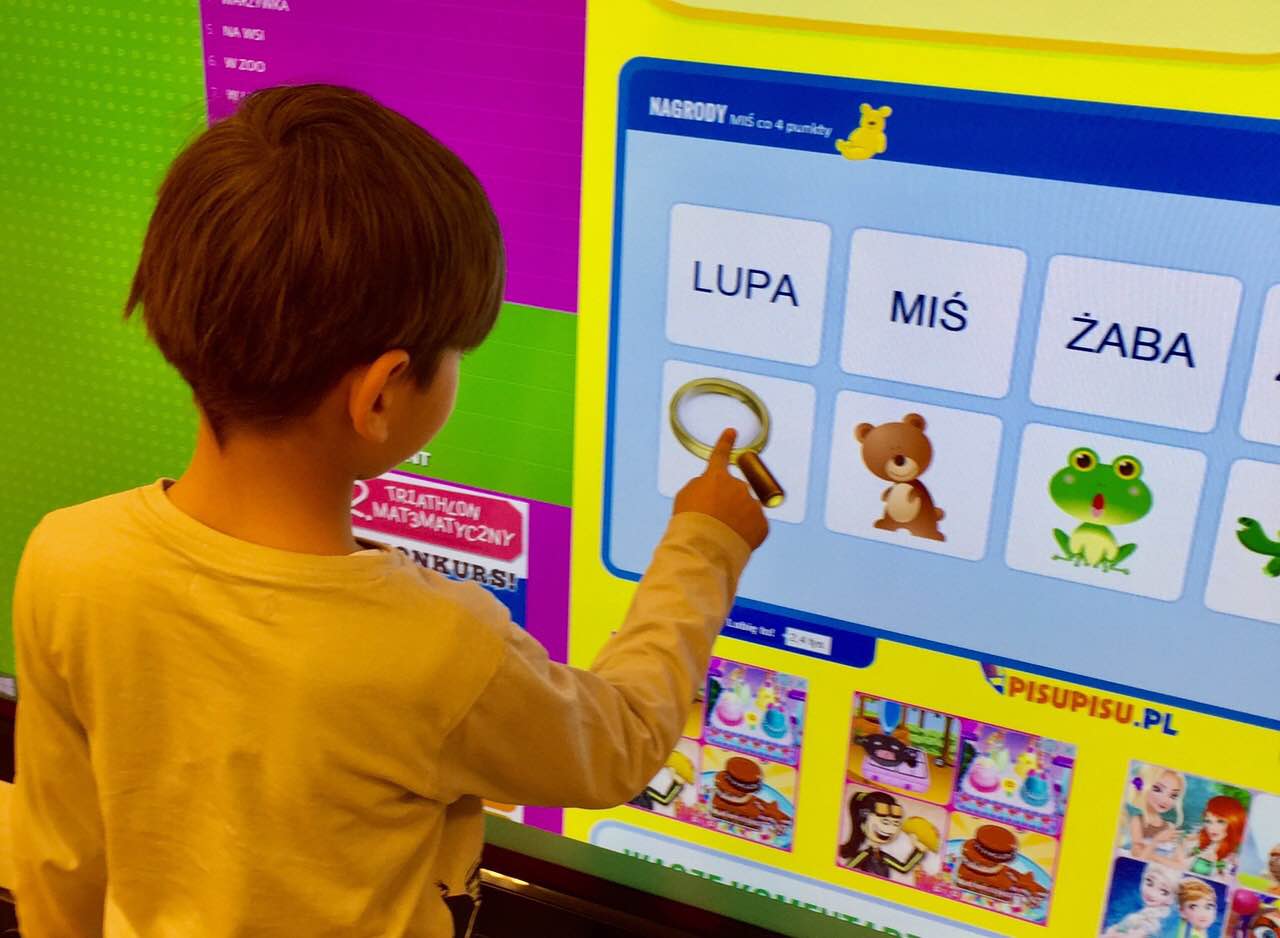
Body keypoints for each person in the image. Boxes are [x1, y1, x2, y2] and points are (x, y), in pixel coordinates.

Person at [10, 84, 769, 938]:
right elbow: (619, 741)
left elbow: (59, 863)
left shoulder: (68, 558)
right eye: (454, 355)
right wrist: (703, 544)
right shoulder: (435, 648)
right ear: (379, 396)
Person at [1100, 862, 1180, 938]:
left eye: (1163, 892)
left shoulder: (1152, 921)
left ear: (1171, 900)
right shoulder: (1145, 913)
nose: (1151, 893)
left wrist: (1113, 934)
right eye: (1149, 883)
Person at [1124, 765, 1186, 859]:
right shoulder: (1137, 820)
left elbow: (1180, 863)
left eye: (1173, 795)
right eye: (1158, 789)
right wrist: (1157, 840)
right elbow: (1137, 856)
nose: (1165, 800)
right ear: (1145, 787)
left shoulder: (1170, 827)